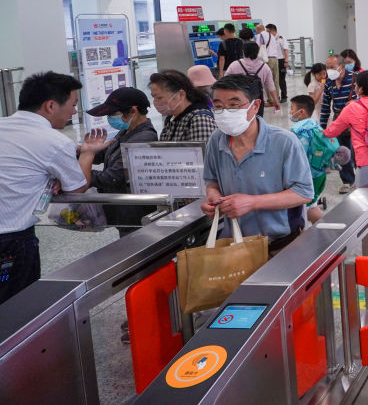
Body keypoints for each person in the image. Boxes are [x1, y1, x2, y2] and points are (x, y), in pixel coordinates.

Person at [0, 72, 88, 303]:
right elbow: (76, 188)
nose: (74, 112)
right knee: (16, 307)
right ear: (51, 105)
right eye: (73, 104)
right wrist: (87, 154)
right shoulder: (55, 142)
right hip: (11, 243)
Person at [201, 75, 313, 254]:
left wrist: (252, 202)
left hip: (280, 245)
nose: (225, 112)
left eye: (234, 105)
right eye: (219, 106)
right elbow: (212, 180)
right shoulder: (217, 140)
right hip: (235, 245)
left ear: (255, 106)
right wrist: (214, 197)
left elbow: (304, 192)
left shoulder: (284, 142)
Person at [78, 88, 158, 234]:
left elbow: (112, 177)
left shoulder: (143, 138)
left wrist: (81, 173)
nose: (109, 118)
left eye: (113, 114)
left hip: (135, 216)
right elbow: (106, 154)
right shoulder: (128, 131)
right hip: (122, 212)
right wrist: (80, 151)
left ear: (133, 111)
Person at [289, 95, 350, 224]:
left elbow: (298, 157)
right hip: (320, 174)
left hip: (307, 177)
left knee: (304, 209)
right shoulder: (317, 127)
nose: (290, 112)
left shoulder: (300, 131)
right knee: (311, 206)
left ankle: (316, 232)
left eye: (292, 108)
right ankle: (322, 230)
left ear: (301, 111)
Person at [320, 54, 358, 194]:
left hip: (356, 119)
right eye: (327, 67)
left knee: (357, 150)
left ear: (341, 67)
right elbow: (325, 105)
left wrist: (356, 101)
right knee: (342, 151)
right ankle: (348, 181)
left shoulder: (355, 78)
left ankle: (363, 176)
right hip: (339, 119)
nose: (329, 70)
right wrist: (322, 127)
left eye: (332, 67)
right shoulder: (329, 82)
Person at [149, 70, 217, 142]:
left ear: (181, 94)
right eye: (154, 98)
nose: (155, 102)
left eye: (159, 98)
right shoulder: (171, 119)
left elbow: (202, 149)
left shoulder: (200, 119)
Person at [225, 42, 281, 111]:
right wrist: (276, 101)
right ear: (258, 52)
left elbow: (225, 82)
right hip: (258, 100)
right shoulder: (264, 67)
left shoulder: (234, 65)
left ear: (243, 51)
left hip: (239, 100)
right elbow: (271, 86)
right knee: (257, 117)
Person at [256, 23, 284, 98]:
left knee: (267, 80)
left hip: (267, 60)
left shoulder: (259, 35)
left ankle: (270, 99)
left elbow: (257, 47)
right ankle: (276, 97)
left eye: (256, 29)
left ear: (258, 29)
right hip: (275, 59)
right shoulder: (271, 35)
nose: (255, 31)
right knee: (275, 79)